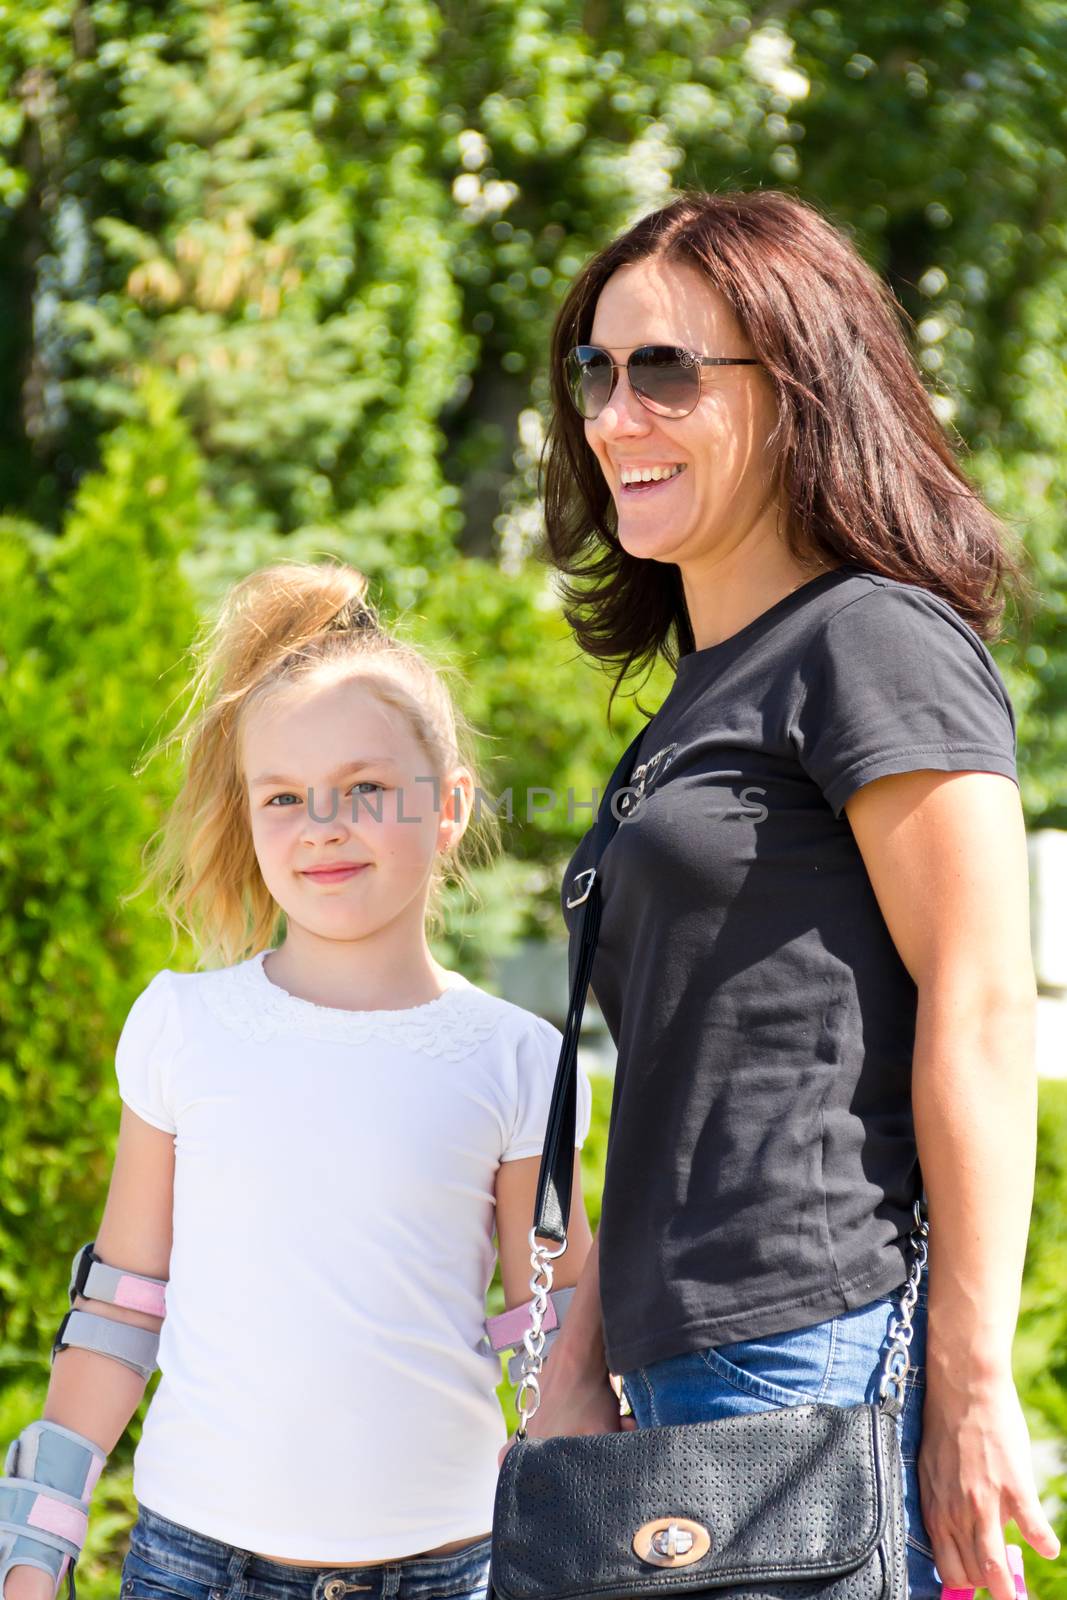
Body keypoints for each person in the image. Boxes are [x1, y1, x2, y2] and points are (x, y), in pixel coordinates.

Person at [509, 189, 1061, 1600]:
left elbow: (983, 1002)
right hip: (687, 1354)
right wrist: (577, 1361)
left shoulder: (869, 640)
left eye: (663, 371)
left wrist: (967, 1382)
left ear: (799, 387)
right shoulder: (700, 697)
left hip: (812, 1341)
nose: (611, 415)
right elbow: (676, 1067)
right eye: (593, 369)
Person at [0, 561, 593, 1600]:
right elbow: (121, 1306)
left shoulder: (514, 1058)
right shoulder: (186, 1025)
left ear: (447, 805)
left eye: (365, 789)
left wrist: (597, 1540)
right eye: (284, 797)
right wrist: (35, 1541)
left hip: (448, 1569)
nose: (322, 825)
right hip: (193, 1568)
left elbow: (548, 1327)